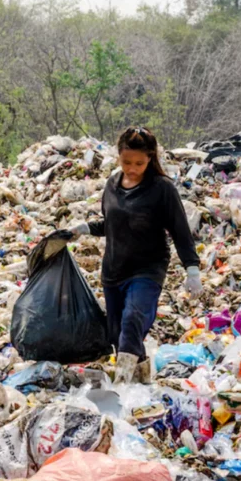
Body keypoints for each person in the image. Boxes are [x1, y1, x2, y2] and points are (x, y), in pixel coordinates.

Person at [67, 127, 202, 384]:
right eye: (126, 162)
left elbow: (180, 230)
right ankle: (142, 384)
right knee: (118, 334)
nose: (132, 168)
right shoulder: (112, 185)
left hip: (147, 269)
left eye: (139, 163)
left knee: (133, 320)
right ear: (118, 156)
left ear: (150, 158)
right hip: (114, 270)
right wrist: (84, 229)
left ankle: (121, 386)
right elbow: (112, 223)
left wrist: (192, 268)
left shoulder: (162, 189)